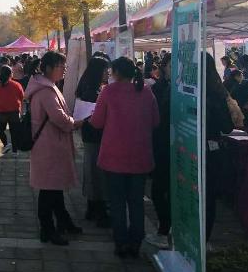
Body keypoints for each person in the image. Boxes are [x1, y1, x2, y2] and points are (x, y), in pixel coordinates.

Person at [90, 57, 159, 258]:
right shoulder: (146, 92)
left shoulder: (108, 92)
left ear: (116, 72)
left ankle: (121, 243)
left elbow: (96, 122)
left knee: (117, 202)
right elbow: (156, 121)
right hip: (140, 155)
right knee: (136, 202)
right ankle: (136, 242)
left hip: (114, 156)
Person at [24, 51, 85, 246]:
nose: (64, 70)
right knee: (49, 191)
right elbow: (59, 118)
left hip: (51, 145)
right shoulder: (45, 91)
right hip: (49, 146)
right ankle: (47, 229)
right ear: (49, 68)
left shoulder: (46, 86)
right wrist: (76, 122)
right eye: (61, 67)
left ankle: (64, 222)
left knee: (54, 188)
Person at [75, 56, 111, 228]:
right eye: (105, 70)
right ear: (98, 71)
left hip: (90, 135)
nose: (107, 73)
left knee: (92, 171)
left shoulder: (88, 86)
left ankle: (91, 208)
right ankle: (99, 210)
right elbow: (92, 115)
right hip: (94, 135)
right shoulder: (92, 90)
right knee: (97, 173)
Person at [204, 53, 235, 241]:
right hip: (212, 149)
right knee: (209, 197)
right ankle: (204, 238)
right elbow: (227, 126)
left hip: (192, 148)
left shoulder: (184, 90)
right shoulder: (218, 92)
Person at [147, 53, 172, 249]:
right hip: (161, 146)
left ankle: (170, 229)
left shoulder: (194, 90)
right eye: (170, 65)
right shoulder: (159, 88)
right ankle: (164, 228)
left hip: (183, 146)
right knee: (158, 190)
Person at [0, 65, 25, 155]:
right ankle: (14, 151)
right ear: (10, 74)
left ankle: (6, 144)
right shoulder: (17, 85)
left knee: (1, 131)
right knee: (14, 132)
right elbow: (22, 96)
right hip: (14, 112)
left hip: (2, 113)